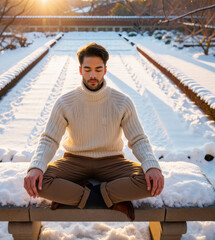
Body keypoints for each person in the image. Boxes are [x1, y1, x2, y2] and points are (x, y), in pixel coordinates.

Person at [24, 42, 164, 220]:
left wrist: (152, 166)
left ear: (105, 70)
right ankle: (112, 197)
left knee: (149, 182)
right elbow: (49, 139)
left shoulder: (122, 101)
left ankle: (80, 193)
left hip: (112, 162)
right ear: (80, 70)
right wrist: (35, 167)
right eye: (87, 69)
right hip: (75, 161)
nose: (92, 75)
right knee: (40, 181)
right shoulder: (65, 102)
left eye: (98, 69)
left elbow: (138, 139)